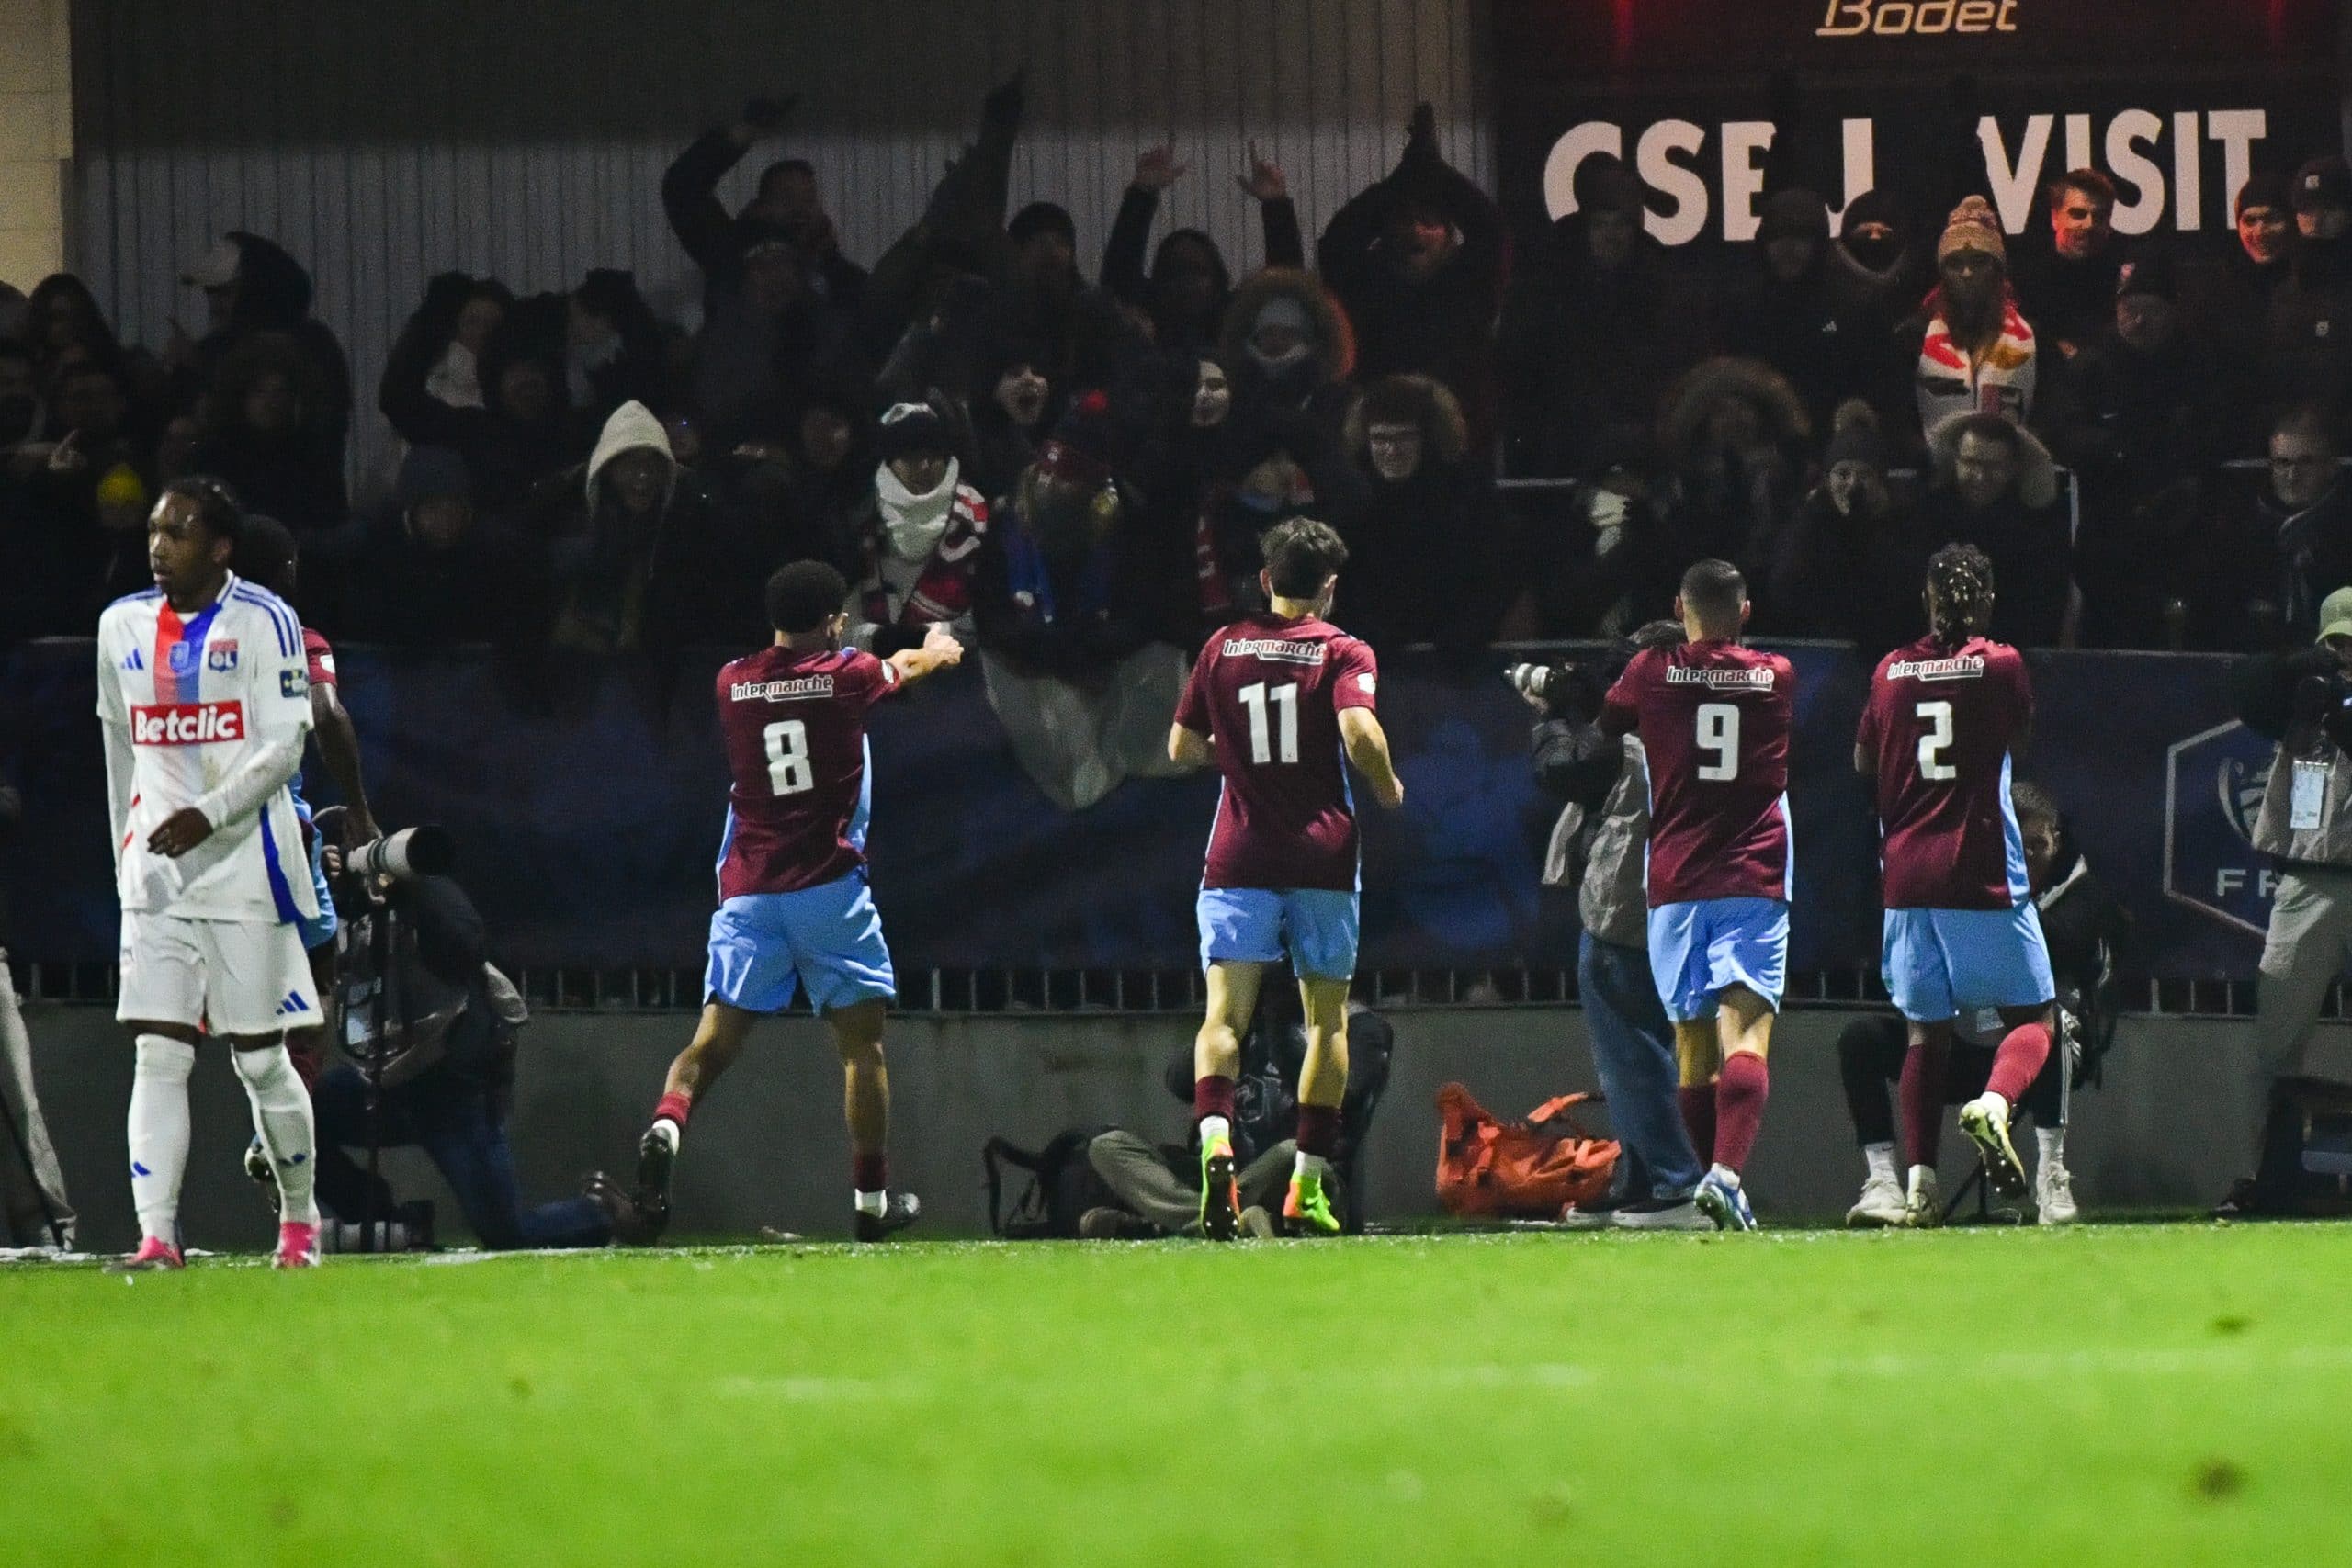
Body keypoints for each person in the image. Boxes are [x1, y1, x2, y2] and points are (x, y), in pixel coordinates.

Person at [632, 560, 965, 1240]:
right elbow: (902, 666)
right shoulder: (847, 677)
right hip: (826, 892)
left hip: (749, 894)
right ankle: (872, 1205)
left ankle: (668, 1120)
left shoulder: (732, 682)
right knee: (861, 1050)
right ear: (833, 620)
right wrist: (938, 651)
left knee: (709, 1047)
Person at [94, 476, 327, 1269]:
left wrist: (211, 811)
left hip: (243, 867)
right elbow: (118, 743)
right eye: (155, 531)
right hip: (157, 875)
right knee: (158, 1052)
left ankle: (299, 1222)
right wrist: (122, 845)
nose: (159, 546)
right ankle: (158, 1234)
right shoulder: (120, 624)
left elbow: (285, 745)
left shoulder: (266, 621)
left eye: (179, 532)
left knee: (260, 1057)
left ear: (220, 546)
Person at [1167, 518, 1406, 1238]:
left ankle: (1215, 1137)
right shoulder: (1341, 650)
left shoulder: (1223, 646)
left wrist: (1241, 760)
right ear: (1329, 588)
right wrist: (1389, 786)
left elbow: (1181, 747)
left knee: (1222, 1019)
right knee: (1326, 1021)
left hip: (1238, 854)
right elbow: (1360, 732)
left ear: (1267, 579)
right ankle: (1307, 1182)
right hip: (1320, 857)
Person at [1852, 545, 2060, 1224]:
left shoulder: (1889, 671)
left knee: (1925, 1033)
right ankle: (1995, 1105)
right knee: (2038, 1018)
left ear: (1927, 601)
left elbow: (1862, 756)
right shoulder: (1999, 663)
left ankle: (1919, 1185)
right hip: (1977, 868)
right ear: (1988, 601)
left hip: (1905, 875)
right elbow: (2019, 739)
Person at [1595, 559, 1795, 1230]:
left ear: (1680, 606)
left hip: (1676, 880)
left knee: (1692, 1046)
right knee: (1746, 1033)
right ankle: (1727, 1174)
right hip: (1753, 874)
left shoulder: (1651, 670)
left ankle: (1713, 1188)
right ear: (1745, 611)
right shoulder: (1777, 674)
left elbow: (1610, 716)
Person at [1839, 780, 2124, 1227]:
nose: (2029, 859)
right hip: (1963, 1047)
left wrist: (1992, 912)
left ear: (2057, 841)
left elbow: (2059, 945)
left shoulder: (2079, 895)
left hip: (2042, 1060)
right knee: (1864, 1039)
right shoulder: (1952, 888)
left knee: (2054, 1021)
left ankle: (2051, 1175)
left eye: (2039, 846)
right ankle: (1888, 1184)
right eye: (2018, 846)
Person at [310, 851, 627, 1251]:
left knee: (507, 1234)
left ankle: (606, 1214)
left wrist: (413, 888)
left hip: (451, 1091)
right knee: (297, 1122)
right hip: (381, 1084)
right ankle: (386, 1221)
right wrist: (321, 888)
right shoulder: (334, 910)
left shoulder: (429, 896)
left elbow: (466, 945)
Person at [1524, 622, 1711, 1230]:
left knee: (1633, 1058)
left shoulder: (1628, 738)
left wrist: (1552, 714)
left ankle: (1675, 1181)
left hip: (1623, 911)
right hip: (1684, 904)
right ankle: (1638, 1174)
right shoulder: (1702, 725)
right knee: (1654, 1049)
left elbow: (1560, 768)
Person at [2221, 585, 2352, 1213]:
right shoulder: (2305, 698)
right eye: (2340, 645)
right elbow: (2243, 689)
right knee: (2275, 1043)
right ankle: (2256, 1175)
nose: (2349, 655)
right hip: (2309, 878)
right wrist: (2294, 671)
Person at [1917, 412, 2072, 648]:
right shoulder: (1926, 517)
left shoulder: (2036, 533)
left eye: (1993, 466)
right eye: (1970, 463)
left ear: (2012, 468)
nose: (1980, 476)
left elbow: (2041, 612)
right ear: (1955, 461)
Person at [2202, 404, 2350, 649]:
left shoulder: (2345, 531)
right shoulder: (2240, 535)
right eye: (2282, 463)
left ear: (2331, 467)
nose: (2292, 476)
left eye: (2306, 463)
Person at [1895, 196, 2040, 443]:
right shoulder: (1913, 336)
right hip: (1935, 472)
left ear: (1998, 269)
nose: (1967, 273)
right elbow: (1898, 418)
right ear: (1942, 272)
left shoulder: (2032, 336)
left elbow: (2047, 416)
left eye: (1979, 261)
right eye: (1954, 263)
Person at [2013, 170, 2121, 362]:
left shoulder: (2122, 277)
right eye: (2078, 214)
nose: (2089, 224)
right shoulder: (2026, 275)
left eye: (2099, 216)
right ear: (2055, 217)